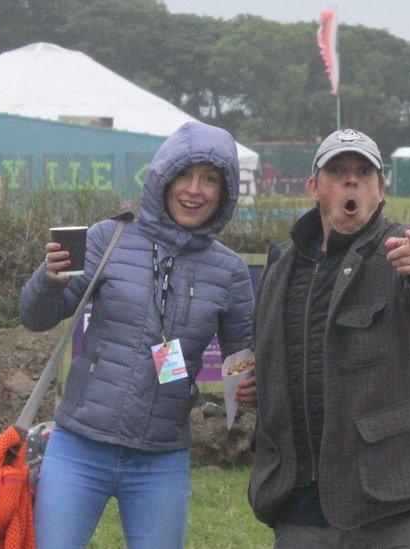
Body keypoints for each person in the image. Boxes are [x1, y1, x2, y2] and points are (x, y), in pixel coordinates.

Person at [19, 121, 255, 548]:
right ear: (163, 176)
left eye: (210, 179)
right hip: (79, 446)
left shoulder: (231, 272)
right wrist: (48, 279)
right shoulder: (108, 237)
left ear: (225, 192)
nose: (194, 189)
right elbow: (36, 317)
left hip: (161, 458)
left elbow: (244, 358)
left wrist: (252, 388)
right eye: (184, 173)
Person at [240, 128, 410, 547]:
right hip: (302, 500)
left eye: (364, 172)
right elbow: (276, 353)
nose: (351, 181)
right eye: (337, 171)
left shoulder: (403, 244)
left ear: (381, 190)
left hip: (397, 497)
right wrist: (261, 388)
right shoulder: (283, 262)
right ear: (314, 187)